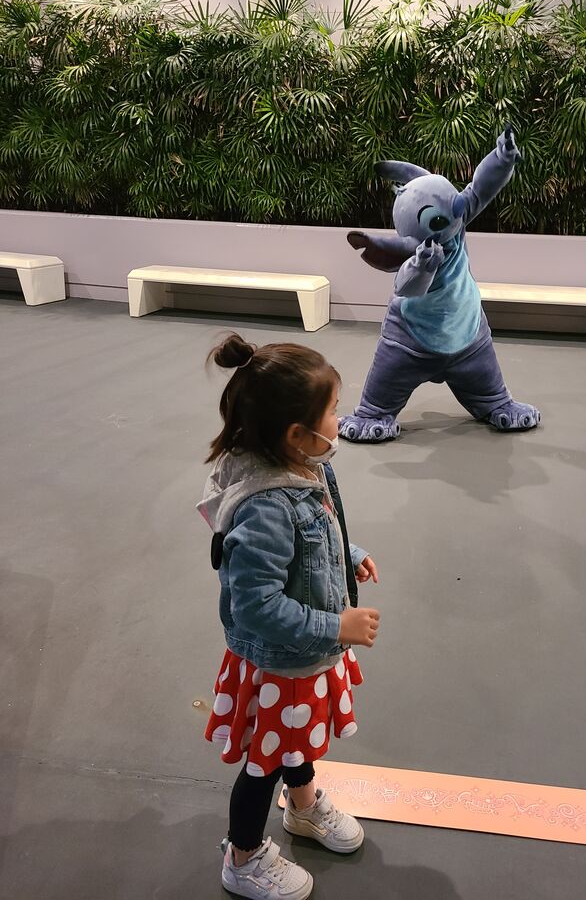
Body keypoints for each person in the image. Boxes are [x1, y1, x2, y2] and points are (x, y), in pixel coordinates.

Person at [197, 333, 380, 900]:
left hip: (301, 658)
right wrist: (336, 626)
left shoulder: (302, 464)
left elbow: (313, 537)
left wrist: (348, 554)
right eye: (333, 410)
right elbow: (256, 605)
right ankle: (243, 856)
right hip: (283, 661)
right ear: (297, 433)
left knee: (293, 743)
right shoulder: (265, 505)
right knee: (265, 763)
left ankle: (302, 807)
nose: (340, 419)